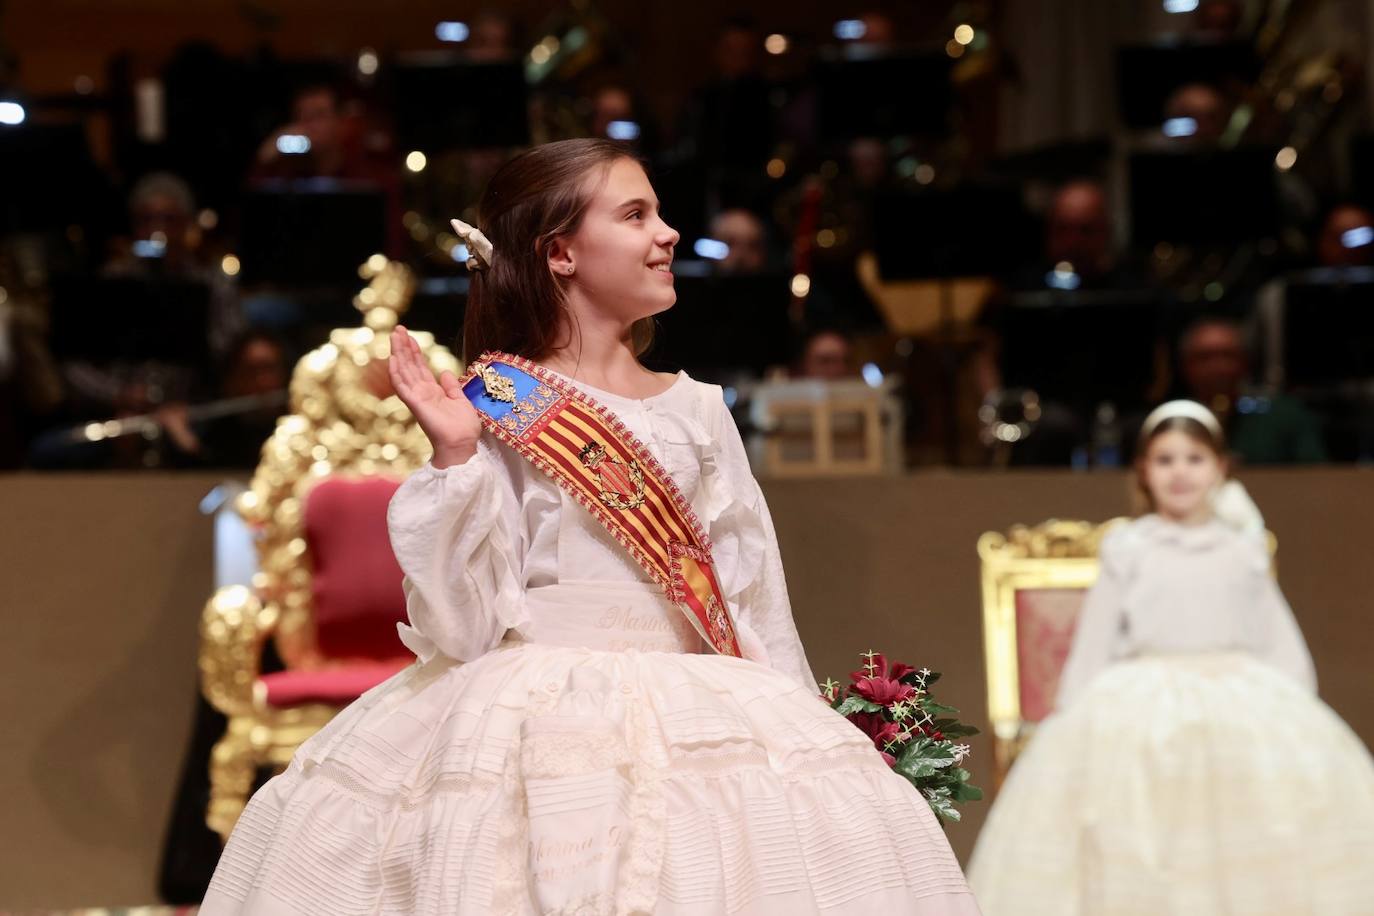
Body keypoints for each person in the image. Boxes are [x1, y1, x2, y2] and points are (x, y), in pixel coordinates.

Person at [200, 139, 980, 914]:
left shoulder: (700, 408)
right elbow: (462, 631)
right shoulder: (496, 405)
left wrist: (804, 730)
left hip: (702, 704)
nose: (668, 234)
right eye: (636, 214)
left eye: (660, 212)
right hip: (528, 707)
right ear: (561, 253)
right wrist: (454, 459)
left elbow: (753, 601)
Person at [967, 400, 1374, 915]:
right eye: (1165, 460)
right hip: (1144, 696)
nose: (1180, 472)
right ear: (1143, 470)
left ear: (1221, 467)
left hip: (1238, 695)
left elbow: (1277, 639)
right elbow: (1095, 641)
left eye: (1194, 459)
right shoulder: (1129, 547)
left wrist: (1299, 720)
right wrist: (1071, 721)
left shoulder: (1241, 548)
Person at [1173, 317, 1326, 465]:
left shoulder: (1285, 416)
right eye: (1205, 357)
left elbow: (1319, 477)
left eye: (1228, 356)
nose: (1218, 367)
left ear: (1245, 362)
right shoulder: (1170, 419)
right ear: (1185, 365)